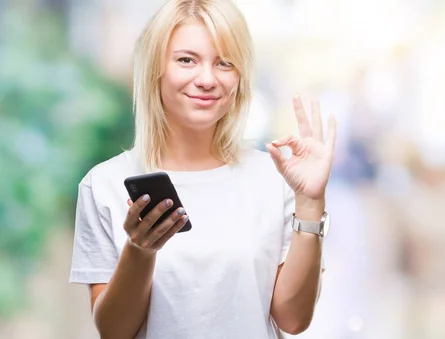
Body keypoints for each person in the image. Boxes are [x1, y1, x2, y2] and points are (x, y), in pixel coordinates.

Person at [68, 1, 336, 338]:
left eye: (224, 63)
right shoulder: (103, 184)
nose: (207, 79)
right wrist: (140, 250)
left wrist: (311, 203)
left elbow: (293, 319)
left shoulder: (275, 179)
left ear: (240, 76)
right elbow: (114, 331)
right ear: (155, 68)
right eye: (186, 60)